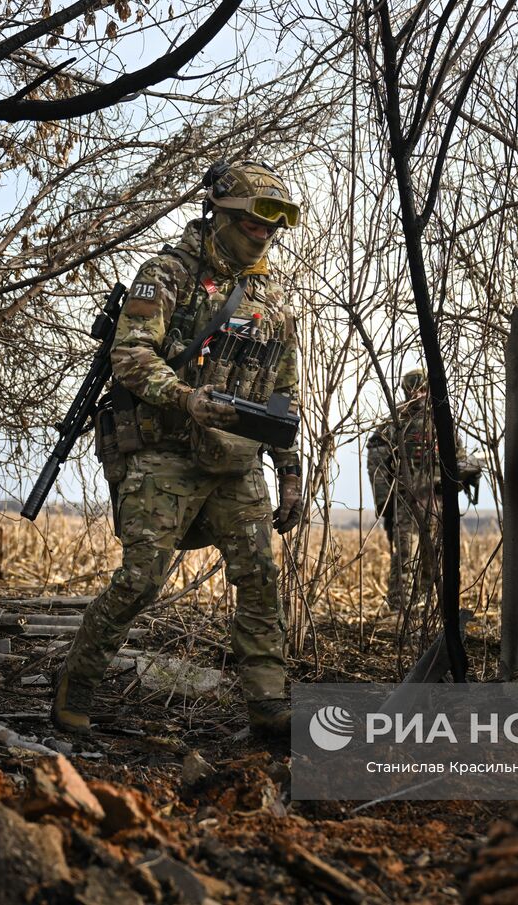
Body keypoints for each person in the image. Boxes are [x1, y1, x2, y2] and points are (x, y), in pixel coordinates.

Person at [51, 159, 304, 740]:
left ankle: (268, 706)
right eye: (252, 225)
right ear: (221, 215)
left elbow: (283, 390)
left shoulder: (272, 293)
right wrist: (186, 397)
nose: (264, 235)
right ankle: (78, 683)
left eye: (272, 227)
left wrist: (289, 471)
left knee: (260, 575)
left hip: (236, 459)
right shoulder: (167, 274)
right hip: (164, 451)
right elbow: (131, 356)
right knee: (142, 578)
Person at [365, 368, 482, 615]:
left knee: (435, 557)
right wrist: (384, 502)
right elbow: (377, 462)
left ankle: (429, 611)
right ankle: (399, 611)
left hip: (439, 503)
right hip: (406, 503)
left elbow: (457, 459)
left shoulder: (442, 422)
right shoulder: (393, 424)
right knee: (406, 556)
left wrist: (469, 472)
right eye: (412, 391)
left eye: (421, 390)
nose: (417, 395)